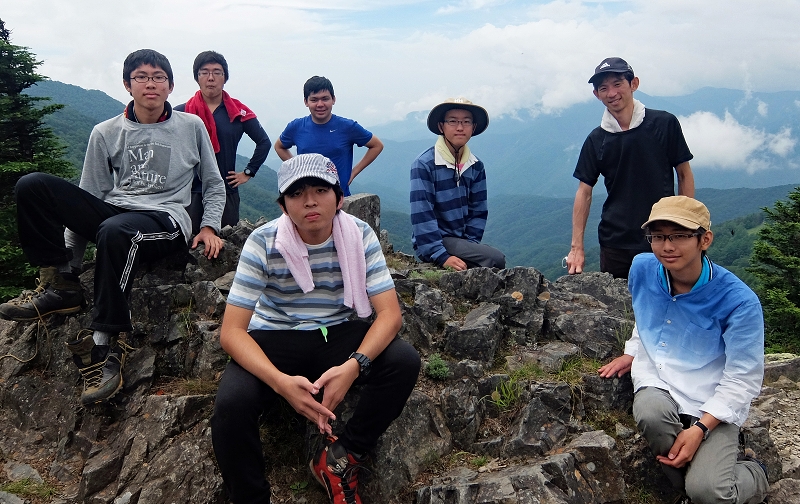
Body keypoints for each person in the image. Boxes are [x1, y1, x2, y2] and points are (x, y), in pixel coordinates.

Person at [0, 49, 226, 406]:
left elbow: (213, 183)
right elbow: (88, 197)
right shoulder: (105, 132)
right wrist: (72, 266)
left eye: (159, 77)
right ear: (127, 84)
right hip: (115, 213)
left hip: (165, 219)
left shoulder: (191, 126)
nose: (150, 84)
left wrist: (210, 226)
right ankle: (60, 287)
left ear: (170, 86)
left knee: (116, 230)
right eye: (141, 77)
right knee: (32, 185)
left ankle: (106, 343)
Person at [211, 153, 420, 504]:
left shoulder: (359, 235)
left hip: (337, 333)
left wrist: (353, 367)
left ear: (339, 198)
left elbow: (389, 315)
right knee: (232, 405)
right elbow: (232, 332)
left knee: (403, 361)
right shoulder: (263, 242)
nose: (309, 201)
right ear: (283, 205)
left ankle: (341, 458)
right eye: (296, 193)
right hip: (274, 337)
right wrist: (281, 383)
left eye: (321, 190)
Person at [598, 196, 769, 504]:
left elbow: (743, 378)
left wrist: (700, 428)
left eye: (679, 236)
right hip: (659, 380)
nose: (667, 246)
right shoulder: (643, 268)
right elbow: (646, 315)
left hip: (711, 398)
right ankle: (689, 488)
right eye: (658, 236)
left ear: (705, 240)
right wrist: (632, 351)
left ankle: (754, 473)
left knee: (710, 493)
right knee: (651, 414)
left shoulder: (739, 302)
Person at [566, 57, 695, 279]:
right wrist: (576, 247)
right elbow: (584, 192)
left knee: (669, 296)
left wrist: (686, 225)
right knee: (618, 301)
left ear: (634, 84)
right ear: (596, 94)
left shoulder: (664, 123)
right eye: (603, 88)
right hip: (615, 243)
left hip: (663, 236)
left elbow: (684, 174)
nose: (612, 93)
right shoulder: (597, 139)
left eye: (618, 84)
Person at [174, 50, 272, 233]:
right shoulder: (181, 113)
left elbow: (264, 142)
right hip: (190, 192)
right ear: (197, 77)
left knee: (225, 242)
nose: (211, 78)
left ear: (225, 77)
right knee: (188, 242)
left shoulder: (238, 112)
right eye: (204, 72)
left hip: (226, 191)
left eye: (217, 72)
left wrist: (248, 172)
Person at [409, 98, 505, 271]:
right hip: (434, 242)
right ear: (441, 126)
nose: (460, 127)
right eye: (452, 121)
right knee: (495, 259)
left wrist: (470, 246)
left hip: (461, 242)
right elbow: (422, 213)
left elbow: (478, 211)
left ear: (473, 127)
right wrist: (441, 255)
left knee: (490, 260)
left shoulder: (475, 166)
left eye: (466, 122)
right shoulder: (425, 164)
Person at [274, 76, 383, 196]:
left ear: (333, 100)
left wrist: (352, 173)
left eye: (325, 99)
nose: (320, 104)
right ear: (306, 102)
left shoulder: (347, 127)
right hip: (308, 198)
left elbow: (377, 145)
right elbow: (279, 146)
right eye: (314, 100)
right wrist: (298, 168)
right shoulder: (296, 127)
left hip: (340, 198)